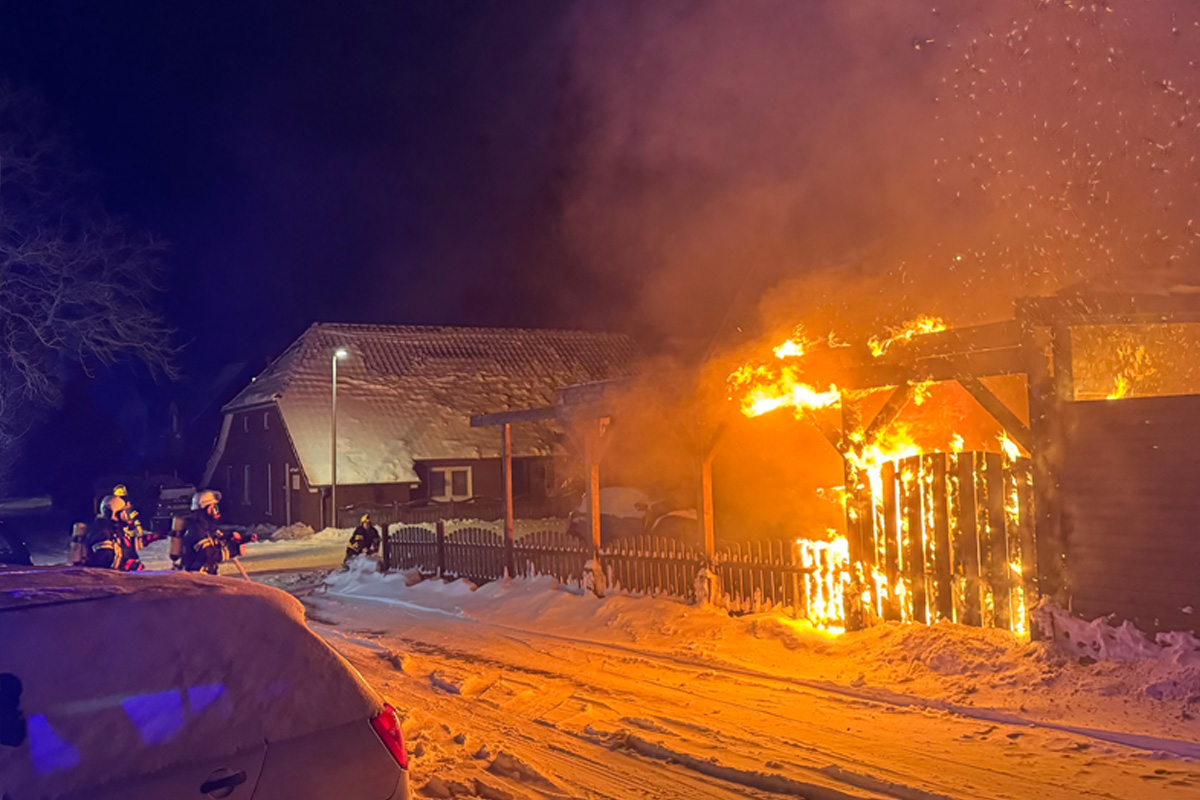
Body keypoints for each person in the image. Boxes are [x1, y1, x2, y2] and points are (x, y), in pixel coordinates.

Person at [180, 490, 255, 575]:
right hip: (199, 576)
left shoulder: (206, 526)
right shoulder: (197, 529)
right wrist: (235, 550)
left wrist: (245, 538)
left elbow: (220, 537)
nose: (216, 510)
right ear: (208, 508)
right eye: (214, 507)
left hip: (207, 574)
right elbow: (208, 554)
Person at [85, 494, 163, 571]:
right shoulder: (101, 532)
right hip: (103, 580)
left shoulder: (116, 530)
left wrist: (152, 537)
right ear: (114, 514)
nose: (126, 516)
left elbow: (128, 546)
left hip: (115, 578)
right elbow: (105, 559)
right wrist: (127, 565)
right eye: (123, 513)